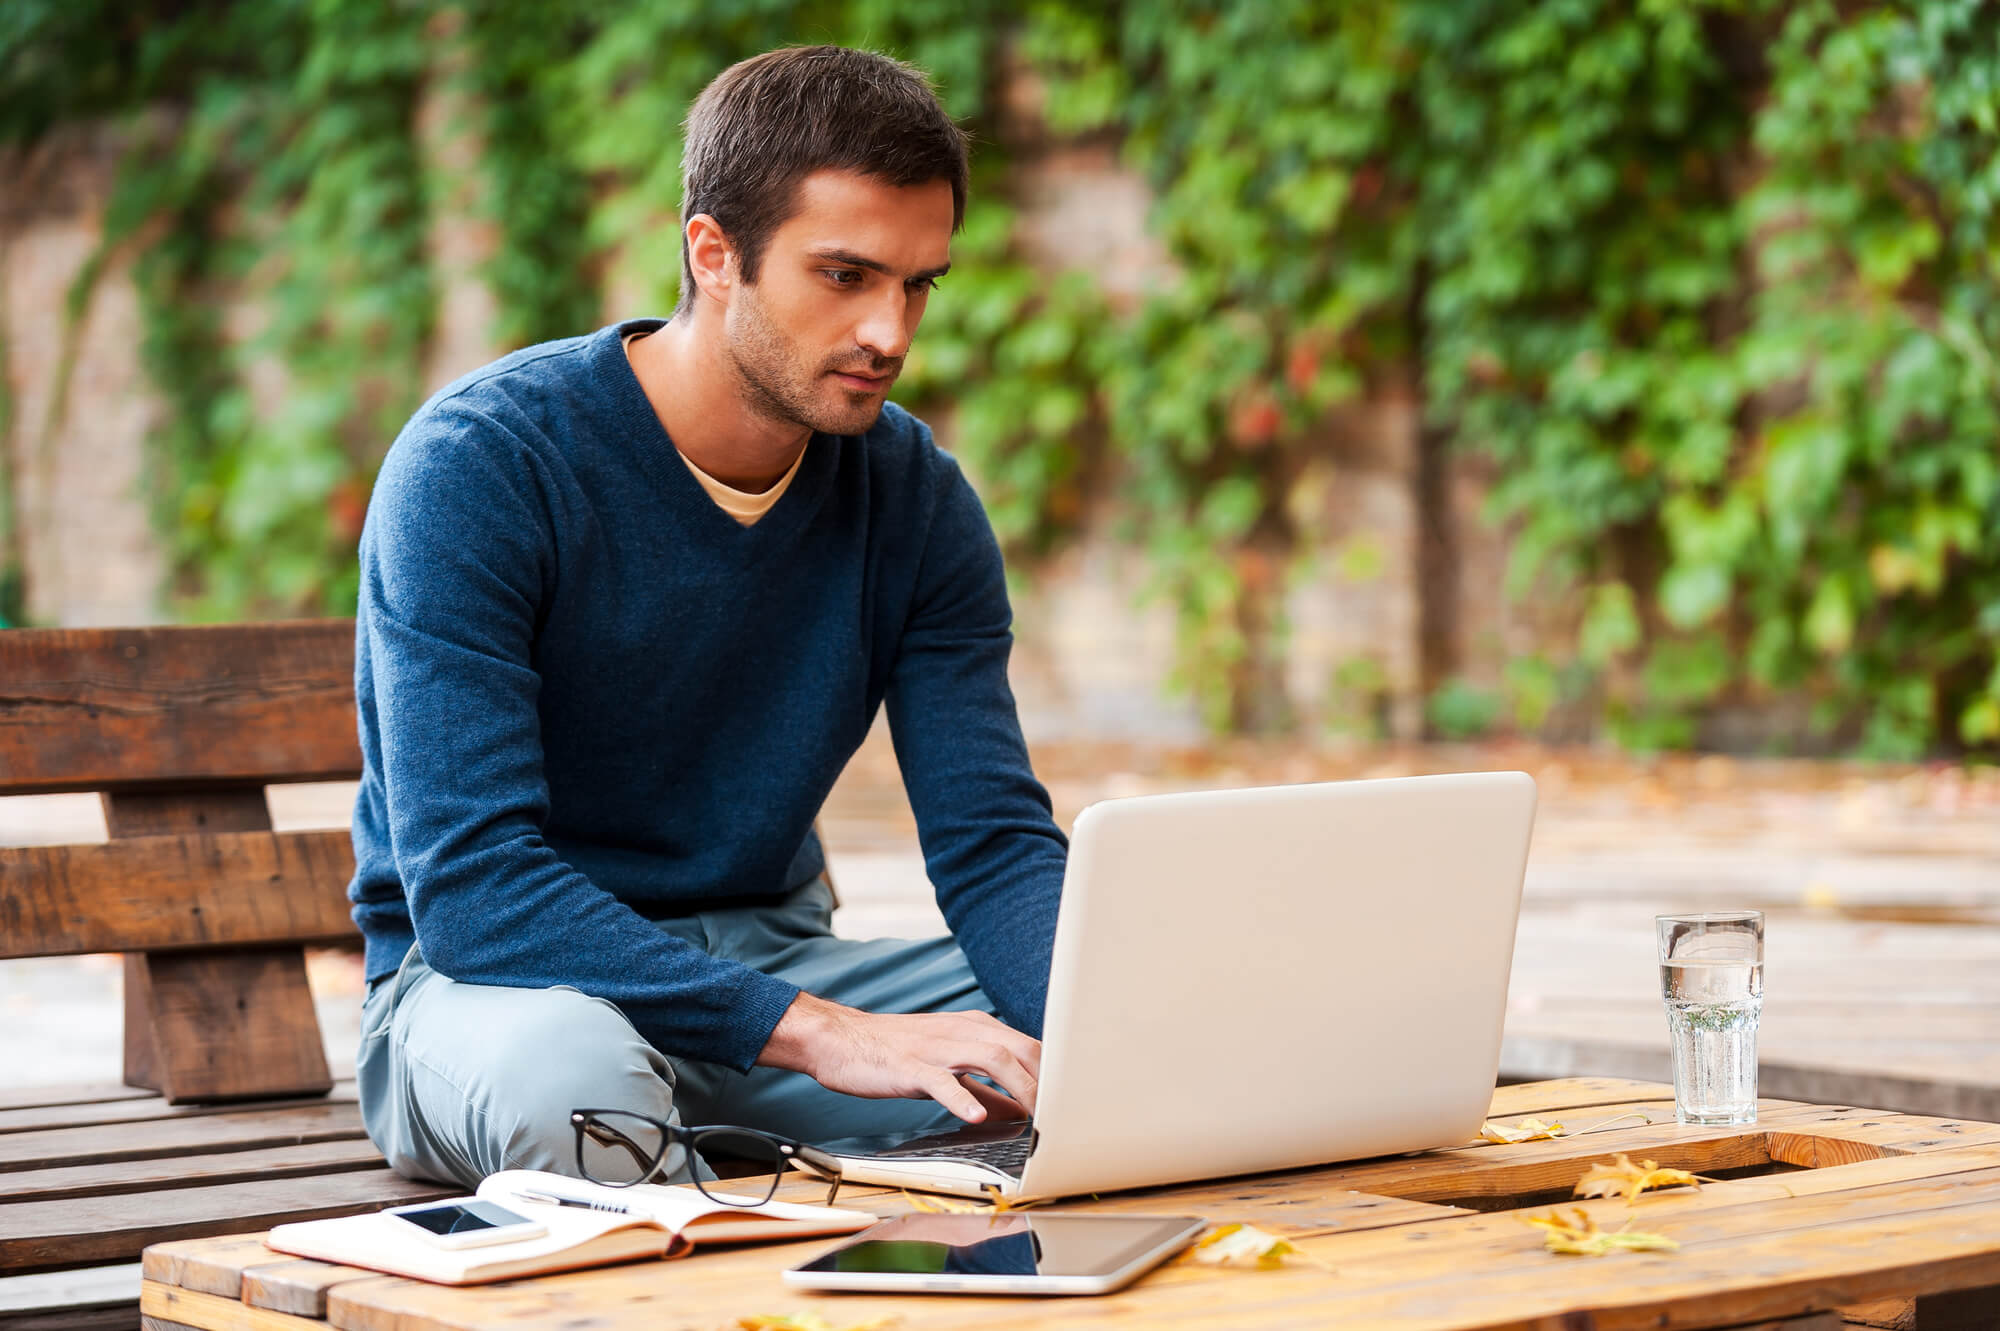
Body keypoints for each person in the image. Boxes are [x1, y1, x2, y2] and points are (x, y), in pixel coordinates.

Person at [349, 44, 1067, 1189]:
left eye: (918, 282)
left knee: (1134, 1013)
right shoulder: (482, 466)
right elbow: (477, 887)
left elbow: (990, 844)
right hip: (500, 995)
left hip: (778, 963)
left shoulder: (914, 498)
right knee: (574, 1082)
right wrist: (825, 1031)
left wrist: (1106, 1029)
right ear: (713, 253)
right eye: (845, 275)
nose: (891, 330)